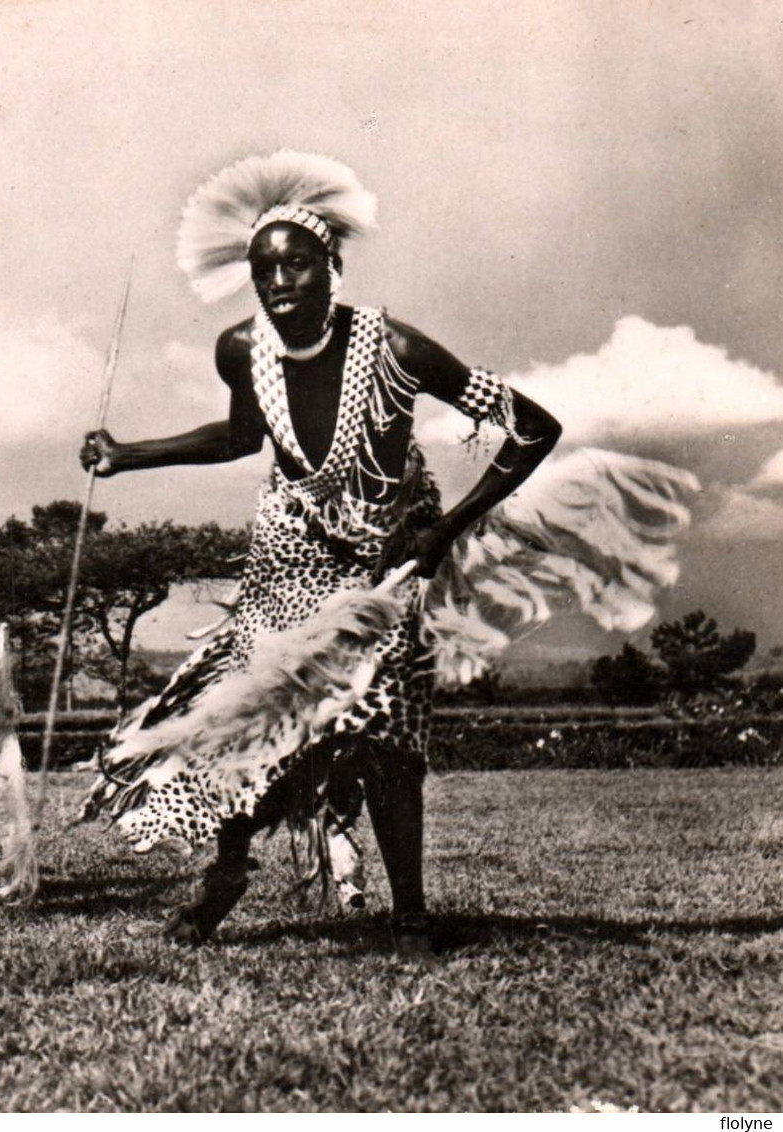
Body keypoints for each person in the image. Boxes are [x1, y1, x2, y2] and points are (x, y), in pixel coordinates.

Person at [80, 151, 562, 949]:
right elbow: (241, 436)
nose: (279, 283)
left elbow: (533, 426)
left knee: (385, 734)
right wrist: (130, 453)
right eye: (262, 270)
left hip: (379, 571)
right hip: (282, 565)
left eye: (296, 265)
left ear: (330, 266)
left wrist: (444, 527)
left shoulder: (395, 349)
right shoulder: (240, 349)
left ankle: (409, 911)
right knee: (244, 719)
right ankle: (228, 871)